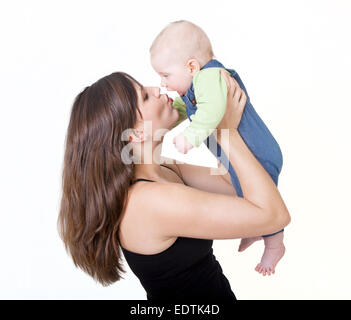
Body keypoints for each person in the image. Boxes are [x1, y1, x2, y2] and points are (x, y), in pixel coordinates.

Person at [58, 70, 290, 300]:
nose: (156, 90)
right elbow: (273, 216)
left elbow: (240, 187)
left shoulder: (164, 170)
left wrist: (212, 115)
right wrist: (225, 133)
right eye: (145, 96)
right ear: (137, 134)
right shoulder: (149, 202)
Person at [150, 20, 286, 275]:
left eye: (165, 75)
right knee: (244, 195)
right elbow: (185, 110)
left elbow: (211, 112)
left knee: (259, 198)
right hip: (241, 155)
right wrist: (164, 125)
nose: (163, 84)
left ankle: (274, 244)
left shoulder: (209, 77)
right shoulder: (195, 86)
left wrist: (191, 137)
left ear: (191, 66)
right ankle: (254, 229)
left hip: (258, 152)